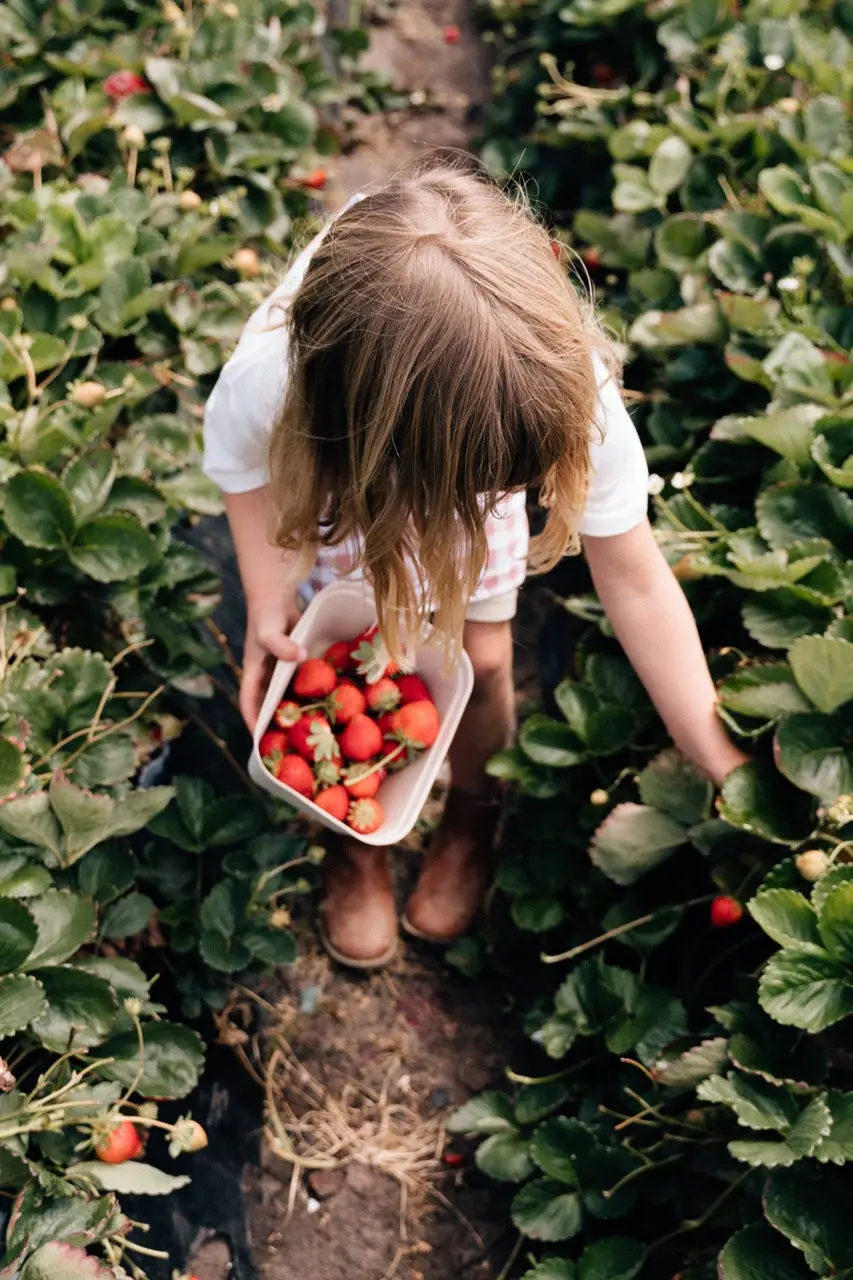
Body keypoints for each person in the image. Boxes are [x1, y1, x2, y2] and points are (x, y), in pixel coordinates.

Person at [203, 161, 747, 970]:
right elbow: (242, 472)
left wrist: (721, 758)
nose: (509, 492)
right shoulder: (277, 379)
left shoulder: (567, 394)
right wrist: (266, 599)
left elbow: (634, 578)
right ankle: (354, 834)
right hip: (344, 479)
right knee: (335, 647)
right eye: (497, 481)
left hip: (428, 443)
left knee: (482, 662)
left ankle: (471, 811)